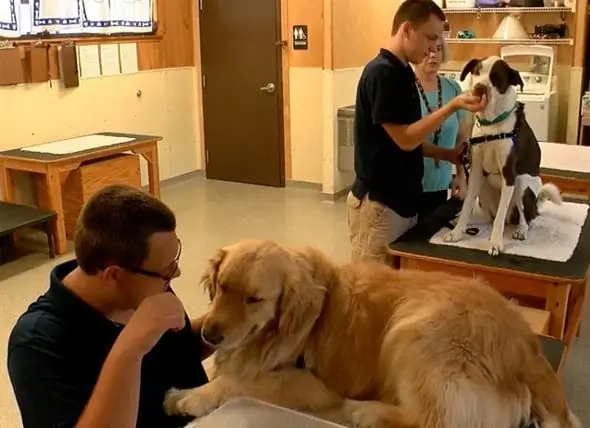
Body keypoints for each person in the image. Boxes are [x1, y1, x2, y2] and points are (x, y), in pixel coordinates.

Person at [7, 185, 212, 428]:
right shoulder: (36, 343)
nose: (175, 273)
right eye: (166, 269)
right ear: (114, 275)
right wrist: (129, 350)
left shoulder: (144, 282)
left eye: (174, 259)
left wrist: (232, 325)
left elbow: (177, 355)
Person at [347, 0, 486, 263]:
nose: (434, 47)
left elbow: (409, 139)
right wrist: (452, 106)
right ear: (407, 30)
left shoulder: (402, 73)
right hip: (381, 205)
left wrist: (449, 156)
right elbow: (406, 140)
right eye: (430, 37)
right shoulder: (382, 74)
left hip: (404, 202)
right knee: (369, 287)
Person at [414, 38, 469, 219]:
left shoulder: (452, 88)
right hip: (411, 185)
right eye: (428, 50)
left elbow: (462, 137)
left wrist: (460, 175)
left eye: (438, 49)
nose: (433, 55)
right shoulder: (406, 88)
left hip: (442, 184)